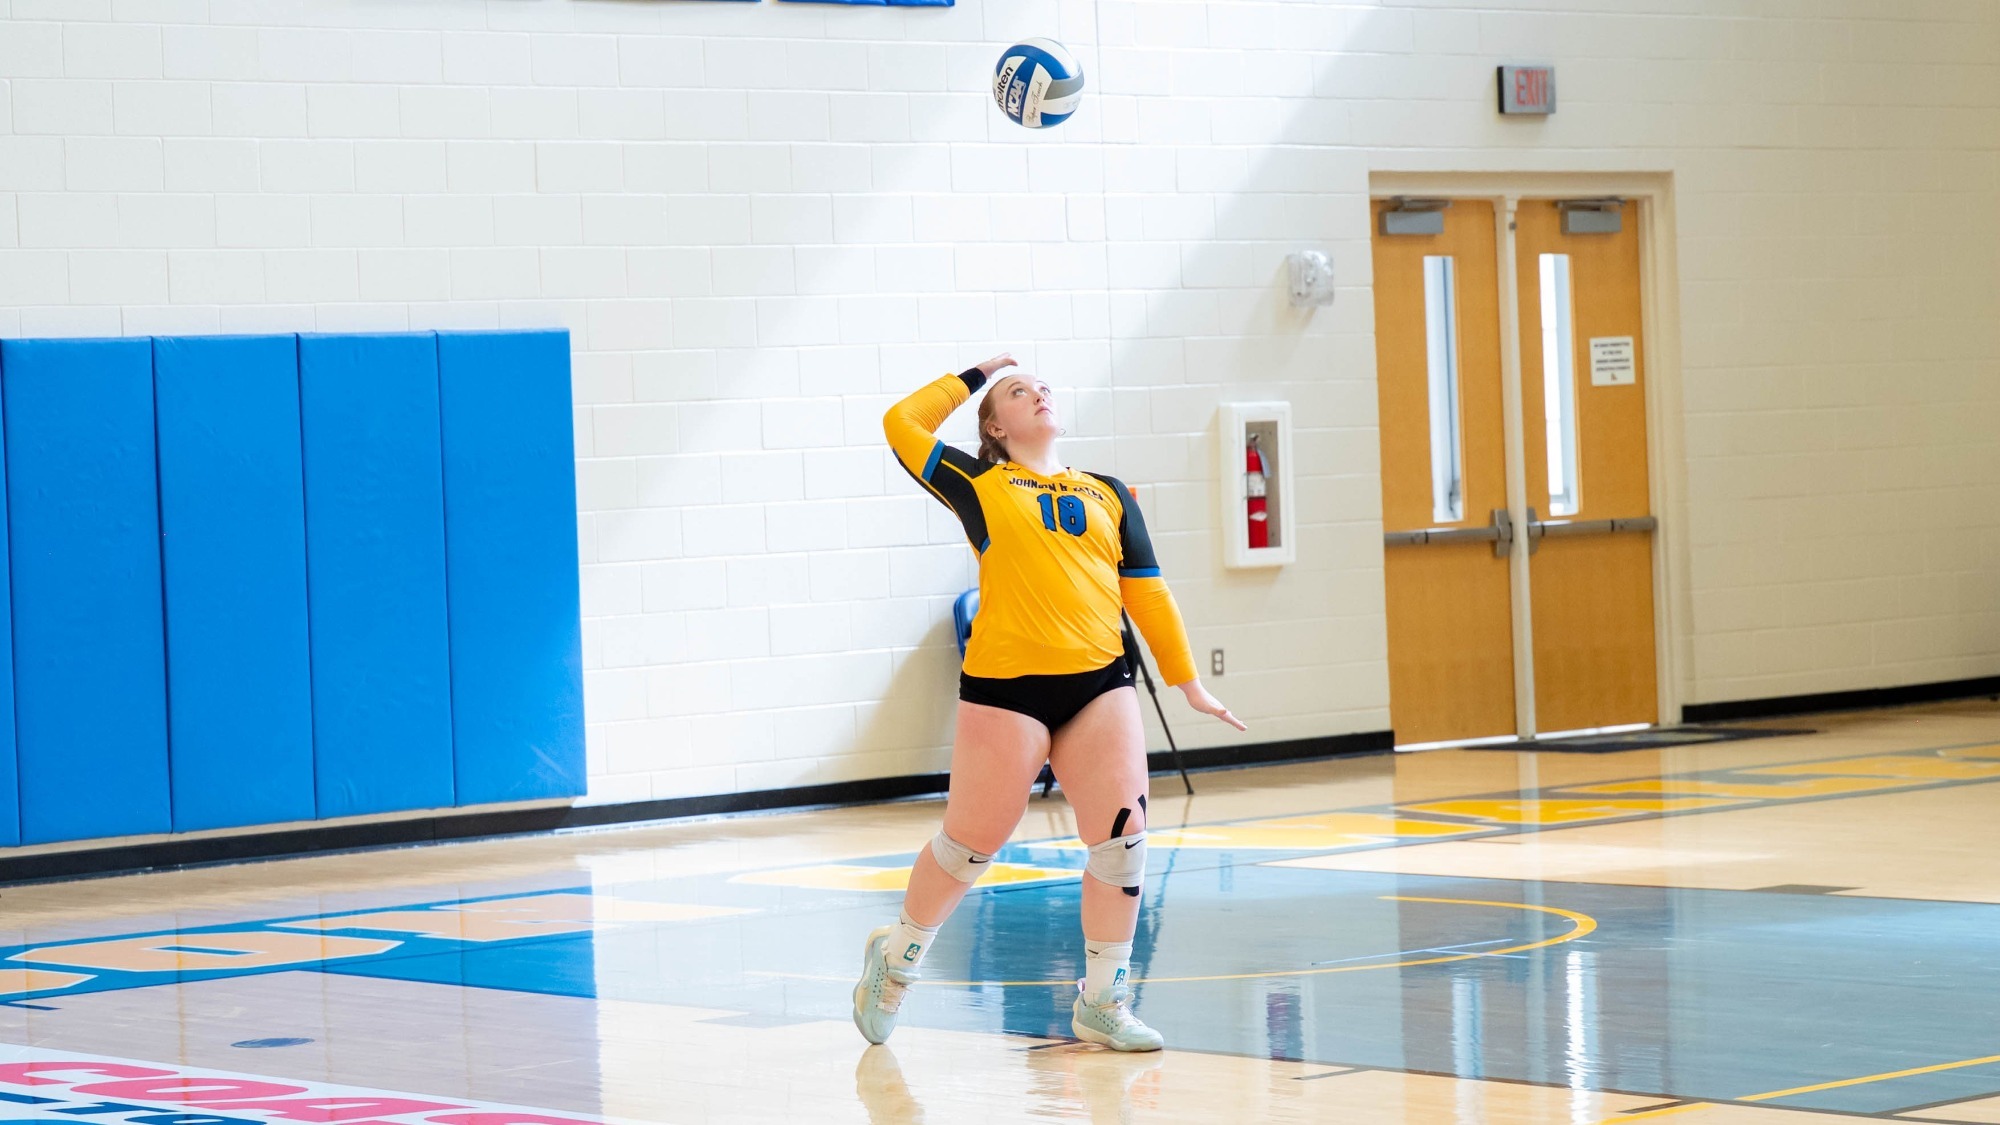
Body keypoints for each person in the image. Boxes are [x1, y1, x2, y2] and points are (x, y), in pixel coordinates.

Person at [854, 353, 1245, 1052]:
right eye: (1016, 391)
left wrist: (1188, 681)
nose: (1036, 393)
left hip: (1099, 682)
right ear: (995, 427)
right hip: (1007, 690)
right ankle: (896, 959)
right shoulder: (977, 481)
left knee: (1122, 845)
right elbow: (900, 423)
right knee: (969, 848)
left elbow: (1147, 591)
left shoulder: (1110, 492)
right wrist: (976, 375)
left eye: (1041, 386)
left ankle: (1102, 1001)